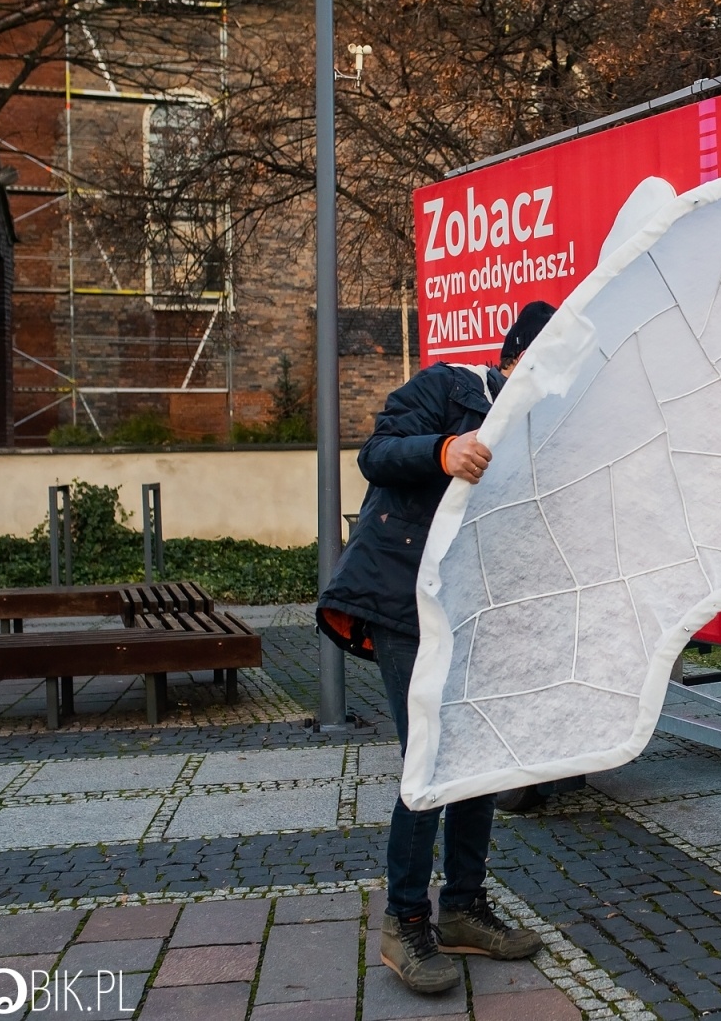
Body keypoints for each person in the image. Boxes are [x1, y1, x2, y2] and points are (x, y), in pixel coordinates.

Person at [318, 301, 556, 994]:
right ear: (513, 360)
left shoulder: (540, 430)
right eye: (538, 369)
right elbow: (375, 454)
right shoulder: (449, 387)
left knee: (474, 758)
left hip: (475, 609)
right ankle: (404, 922)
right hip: (403, 604)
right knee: (430, 755)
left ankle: (461, 909)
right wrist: (443, 451)